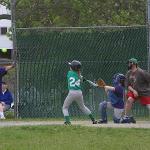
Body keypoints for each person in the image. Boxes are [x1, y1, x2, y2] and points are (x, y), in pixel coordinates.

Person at [62, 60, 97, 125]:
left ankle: (68, 121)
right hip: (79, 93)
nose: (70, 67)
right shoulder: (79, 74)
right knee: (83, 107)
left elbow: (73, 72)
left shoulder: (69, 73)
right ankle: (93, 120)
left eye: (70, 66)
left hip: (72, 92)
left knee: (65, 107)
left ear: (72, 68)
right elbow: (82, 79)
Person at [121, 58, 150, 123]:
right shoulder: (128, 73)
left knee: (148, 105)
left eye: (129, 63)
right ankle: (126, 117)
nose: (128, 64)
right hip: (134, 92)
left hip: (144, 92)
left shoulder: (142, 72)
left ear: (134, 64)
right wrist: (133, 91)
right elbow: (127, 85)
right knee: (129, 100)